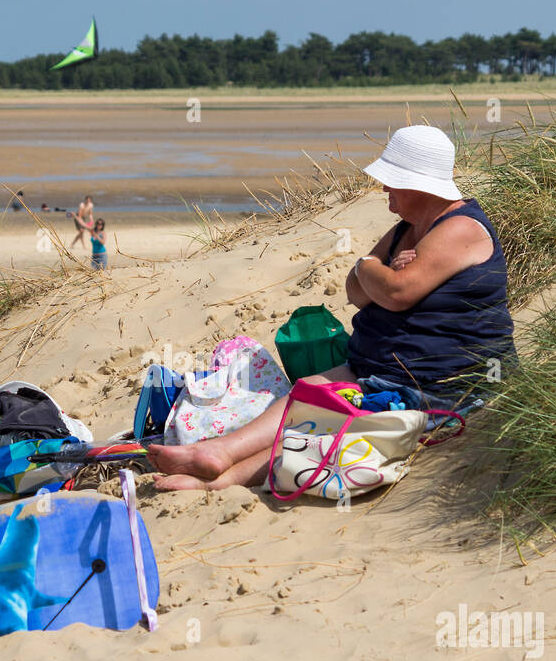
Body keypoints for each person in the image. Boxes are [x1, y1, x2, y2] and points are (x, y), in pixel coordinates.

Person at [148, 125, 516, 492]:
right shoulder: (408, 228)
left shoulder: (462, 229)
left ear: (418, 184)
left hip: (440, 383)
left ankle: (221, 481)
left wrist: (372, 268)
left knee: (322, 424)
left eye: (392, 181)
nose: (385, 189)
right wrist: (368, 268)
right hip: (379, 367)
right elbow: (357, 291)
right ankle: (218, 452)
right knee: (309, 388)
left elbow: (396, 293)